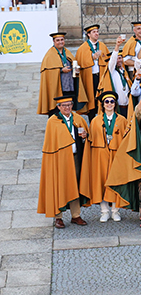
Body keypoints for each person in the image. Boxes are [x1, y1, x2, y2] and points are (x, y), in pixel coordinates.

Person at [38, 95, 90, 227]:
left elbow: (87, 139)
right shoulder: (53, 121)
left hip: (76, 157)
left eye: (69, 105)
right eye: (64, 105)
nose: (67, 108)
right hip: (60, 159)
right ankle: (58, 217)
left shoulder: (78, 119)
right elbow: (50, 144)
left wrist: (85, 137)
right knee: (60, 185)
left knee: (75, 184)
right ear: (58, 107)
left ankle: (76, 215)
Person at [80, 91, 128, 222]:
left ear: (115, 104)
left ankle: (115, 210)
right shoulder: (95, 121)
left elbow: (126, 139)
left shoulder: (122, 120)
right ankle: (104, 211)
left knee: (116, 181)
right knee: (100, 182)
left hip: (116, 154)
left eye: (112, 101)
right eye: (106, 102)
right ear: (102, 104)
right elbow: (91, 139)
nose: (109, 104)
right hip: (99, 155)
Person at [39, 32, 92, 116]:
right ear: (54, 41)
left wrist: (76, 69)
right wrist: (60, 70)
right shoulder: (50, 55)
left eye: (62, 40)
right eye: (58, 40)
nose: (60, 42)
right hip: (58, 88)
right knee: (56, 111)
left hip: (69, 86)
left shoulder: (67, 52)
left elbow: (73, 63)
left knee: (68, 109)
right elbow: (48, 72)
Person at [75, 24, 109, 96]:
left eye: (97, 31)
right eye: (94, 32)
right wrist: (92, 58)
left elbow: (108, 59)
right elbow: (80, 63)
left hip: (101, 74)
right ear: (89, 34)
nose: (96, 33)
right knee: (91, 95)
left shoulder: (103, 45)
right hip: (89, 76)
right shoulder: (82, 48)